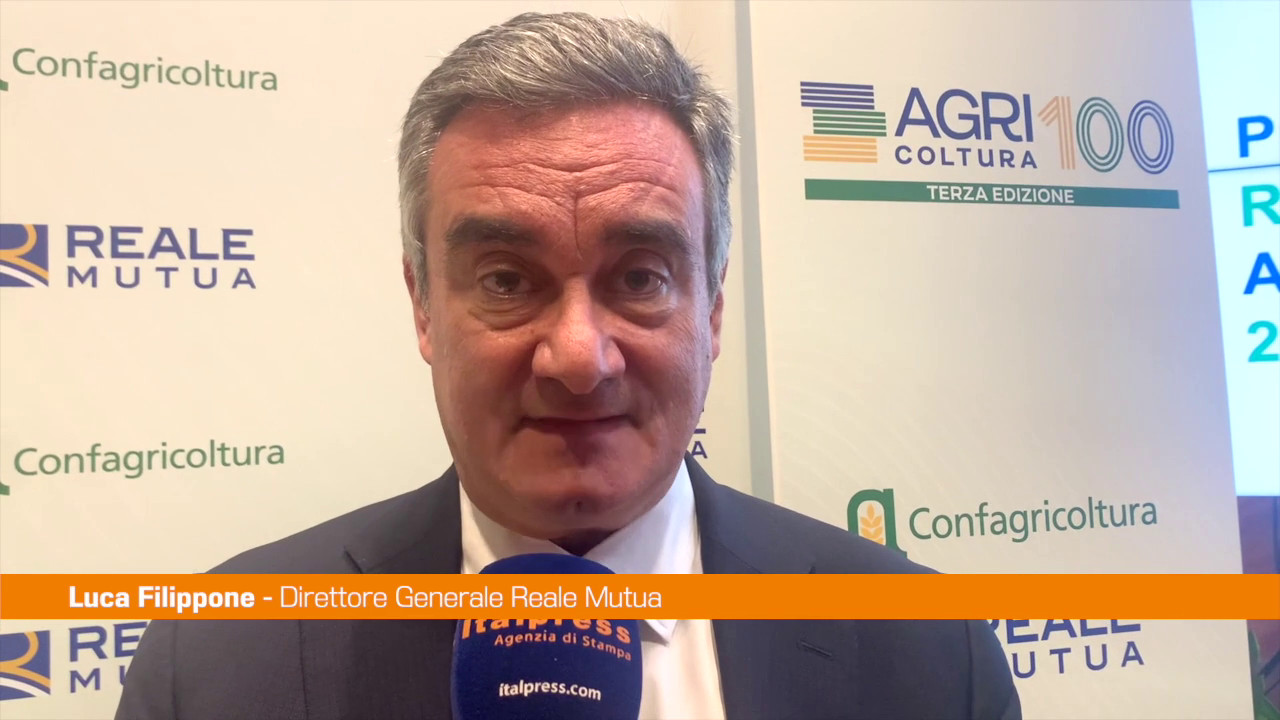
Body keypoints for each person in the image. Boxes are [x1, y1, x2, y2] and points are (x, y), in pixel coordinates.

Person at [116, 12, 1020, 720]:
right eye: (507, 281)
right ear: (423, 304)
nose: (580, 358)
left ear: (712, 307)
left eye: (641, 278)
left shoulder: (926, 649)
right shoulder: (220, 658)